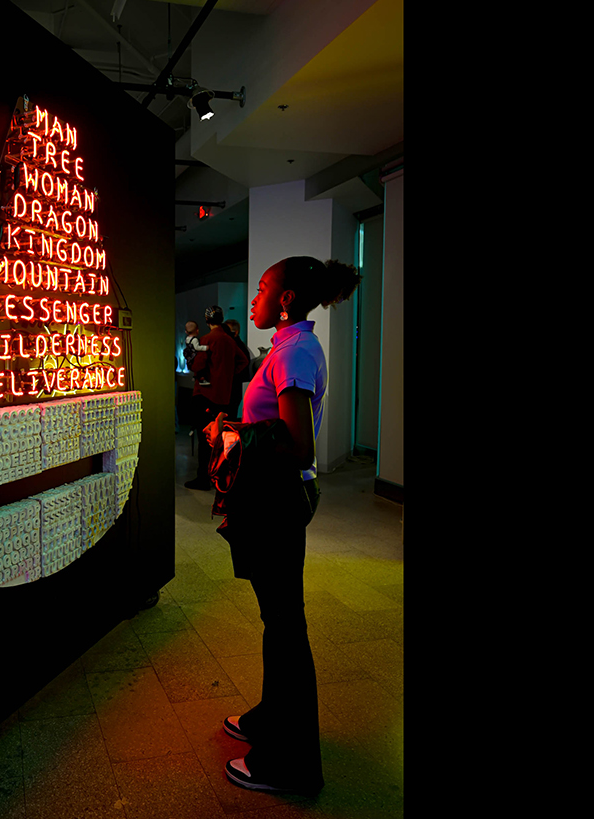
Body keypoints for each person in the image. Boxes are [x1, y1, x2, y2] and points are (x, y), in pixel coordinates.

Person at [205, 255, 361, 796]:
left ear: (287, 298)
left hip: (276, 501)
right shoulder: (290, 345)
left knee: (286, 628)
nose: (255, 298)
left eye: (265, 288)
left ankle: (290, 765)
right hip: (273, 499)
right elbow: (272, 426)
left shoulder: (293, 351)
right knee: (279, 621)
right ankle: (271, 720)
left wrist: (232, 436)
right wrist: (236, 426)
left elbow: (297, 446)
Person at [184, 305, 247, 491]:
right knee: (221, 438)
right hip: (223, 396)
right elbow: (243, 361)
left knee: (205, 440)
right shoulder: (229, 340)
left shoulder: (206, 340)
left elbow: (196, 366)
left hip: (205, 395)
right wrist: (227, 375)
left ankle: (204, 478)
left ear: (206, 320)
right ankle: (220, 476)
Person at [223, 319, 253, 420]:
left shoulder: (236, 347)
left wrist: (230, 374)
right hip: (236, 385)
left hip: (234, 385)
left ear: (235, 332)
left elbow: (243, 363)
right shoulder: (239, 346)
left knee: (229, 414)